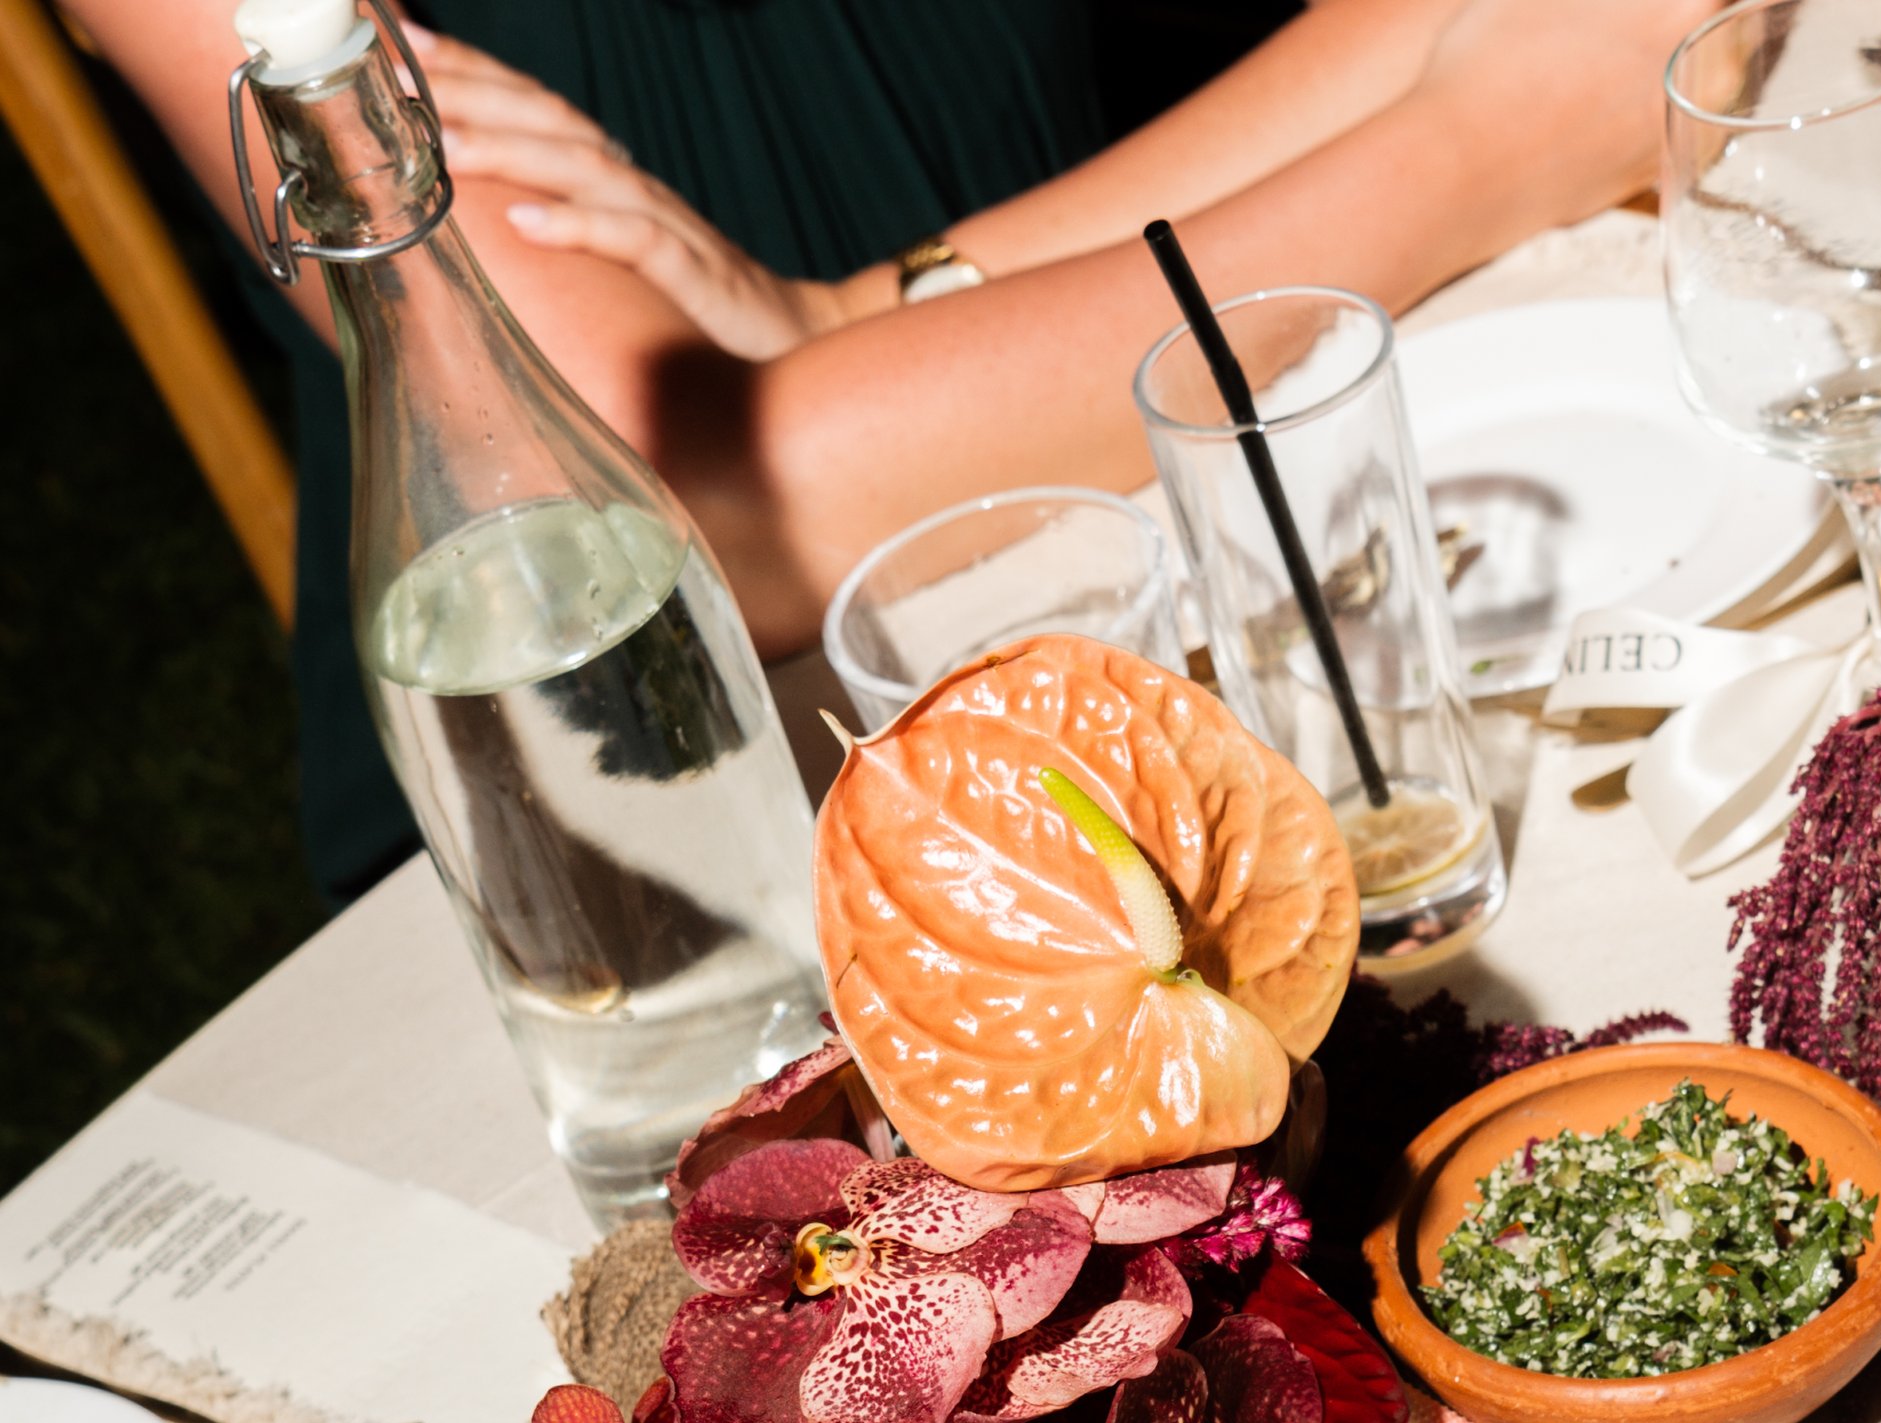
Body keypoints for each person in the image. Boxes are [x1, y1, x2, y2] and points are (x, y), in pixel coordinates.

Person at [78, 0, 1698, 893]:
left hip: (1111, 553)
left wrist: (870, 317)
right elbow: (669, 514)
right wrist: (1485, 150)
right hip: (645, 820)